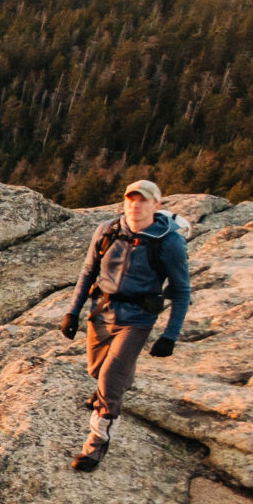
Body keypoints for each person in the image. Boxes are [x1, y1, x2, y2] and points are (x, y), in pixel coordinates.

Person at [59, 178, 191, 473]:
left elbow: (181, 291)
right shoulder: (108, 231)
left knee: (109, 379)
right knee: (96, 370)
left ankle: (96, 443)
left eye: (143, 199)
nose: (136, 204)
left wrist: (170, 335)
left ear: (157, 205)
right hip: (102, 312)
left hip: (137, 319)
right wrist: (73, 311)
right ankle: (112, 389)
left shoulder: (169, 242)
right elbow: (88, 272)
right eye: (131, 198)